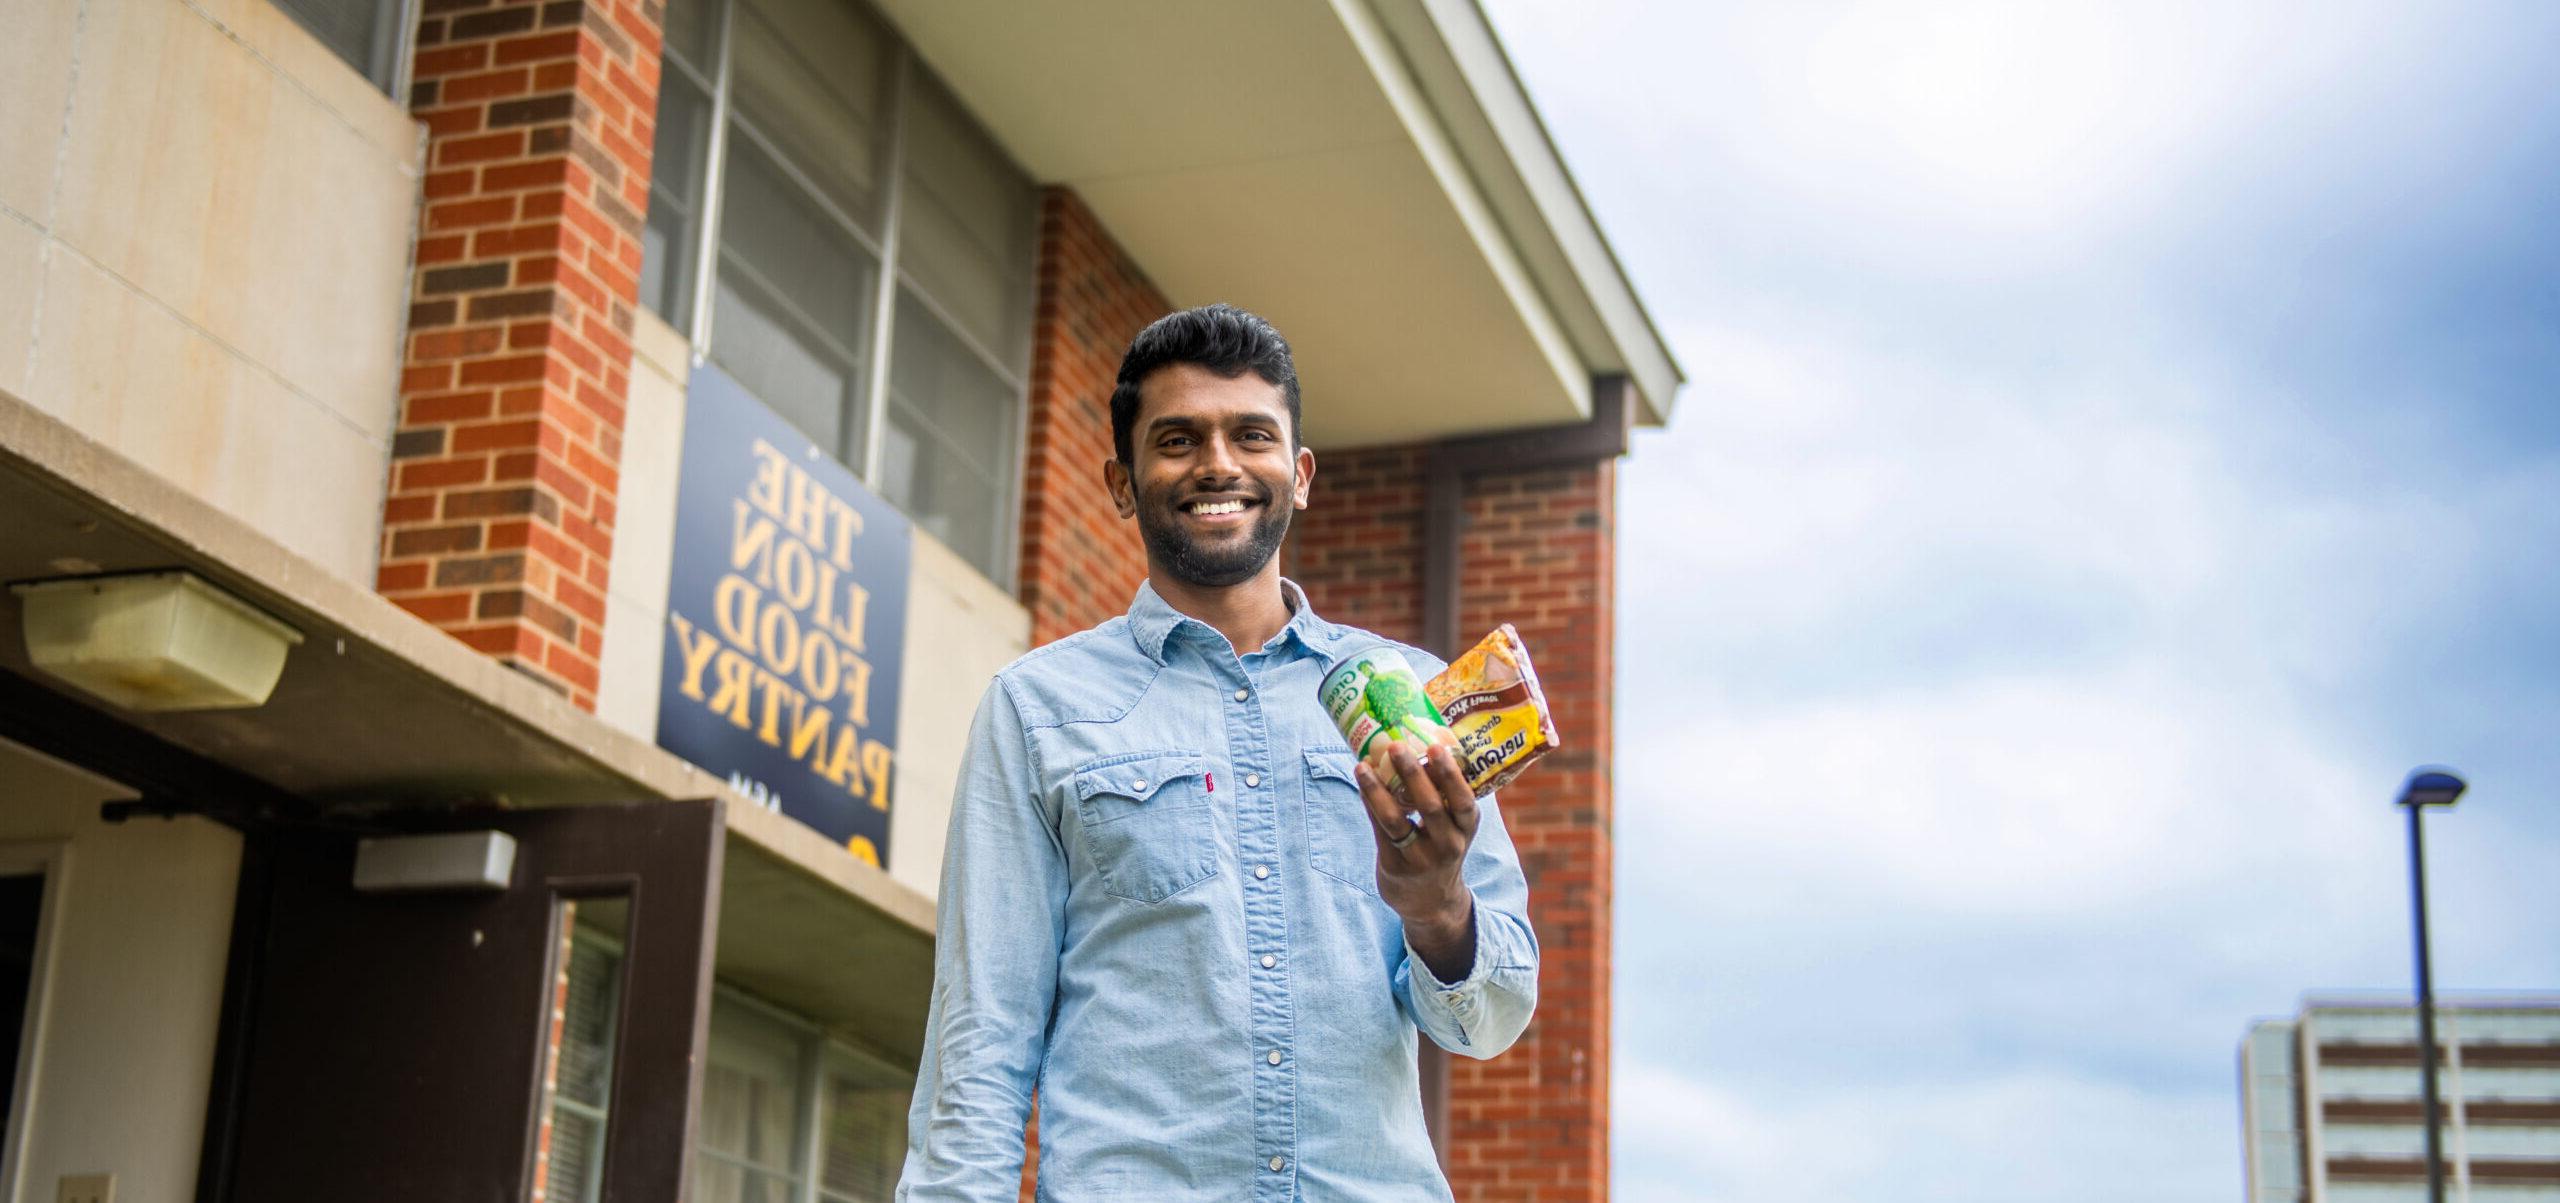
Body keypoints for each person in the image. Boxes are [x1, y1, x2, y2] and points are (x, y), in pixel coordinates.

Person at [895, 304, 1538, 1201]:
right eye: (1178, 439)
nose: (1219, 464)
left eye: (1251, 435)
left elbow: (1493, 1022)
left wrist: (1439, 909)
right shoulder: (1037, 710)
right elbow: (981, 1035)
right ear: (1123, 483)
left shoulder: (1413, 701)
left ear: (1300, 473)